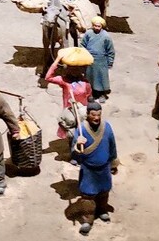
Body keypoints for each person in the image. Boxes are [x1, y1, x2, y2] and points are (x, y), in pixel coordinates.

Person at [70, 101, 119, 235]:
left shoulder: (107, 127)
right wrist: (77, 145)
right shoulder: (81, 130)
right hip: (89, 170)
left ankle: (102, 210)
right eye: (93, 115)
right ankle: (87, 219)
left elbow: (112, 145)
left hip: (104, 168)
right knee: (87, 196)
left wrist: (114, 162)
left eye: (99, 114)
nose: (96, 118)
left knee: (104, 192)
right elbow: (74, 155)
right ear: (87, 114)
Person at [45, 50, 92, 140]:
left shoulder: (85, 83)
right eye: (72, 68)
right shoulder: (64, 81)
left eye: (77, 68)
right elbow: (48, 77)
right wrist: (57, 60)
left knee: (84, 135)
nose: (75, 71)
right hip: (70, 114)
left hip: (82, 114)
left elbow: (89, 97)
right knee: (71, 136)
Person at [81, 16, 115, 101]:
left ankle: (102, 95)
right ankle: (91, 93)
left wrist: (110, 62)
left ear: (102, 26)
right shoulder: (88, 33)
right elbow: (82, 45)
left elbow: (110, 50)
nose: (96, 28)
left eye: (98, 26)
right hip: (89, 60)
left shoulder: (106, 36)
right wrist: (84, 54)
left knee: (101, 78)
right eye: (95, 26)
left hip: (101, 61)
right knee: (90, 78)